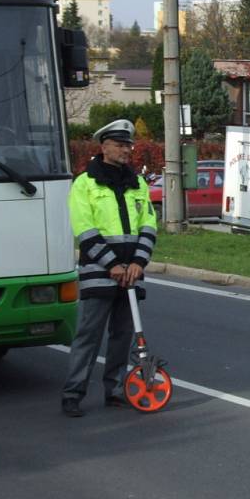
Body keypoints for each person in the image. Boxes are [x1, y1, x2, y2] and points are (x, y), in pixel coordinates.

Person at [61, 120, 157, 417]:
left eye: (128, 144)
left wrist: (138, 263)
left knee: (122, 335)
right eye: (119, 144)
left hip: (131, 273)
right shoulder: (85, 183)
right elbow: (84, 228)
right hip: (99, 272)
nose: (126, 150)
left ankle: (114, 390)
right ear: (103, 147)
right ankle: (73, 394)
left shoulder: (137, 182)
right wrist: (112, 264)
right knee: (89, 335)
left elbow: (149, 224)